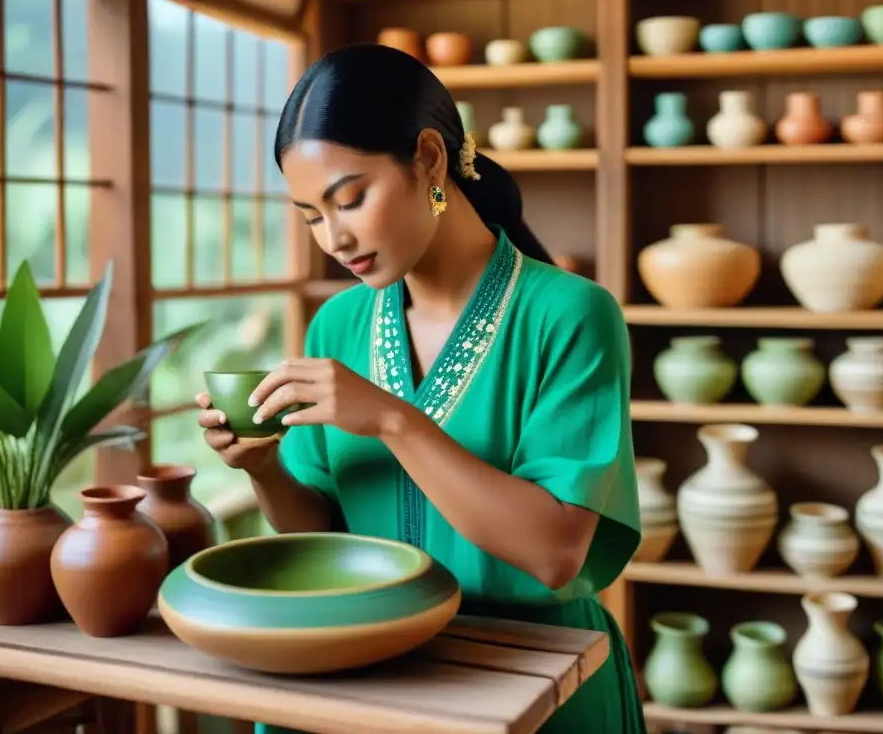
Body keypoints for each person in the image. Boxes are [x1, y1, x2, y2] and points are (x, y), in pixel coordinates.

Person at [195, 43, 645, 734]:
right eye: (312, 216)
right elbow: (322, 537)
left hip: (531, 678)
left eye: (350, 199)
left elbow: (557, 552)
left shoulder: (571, 315)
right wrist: (262, 468)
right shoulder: (337, 325)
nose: (335, 238)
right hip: (363, 666)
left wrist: (393, 420)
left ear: (430, 160)